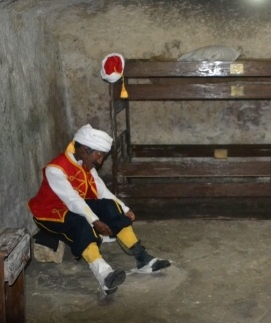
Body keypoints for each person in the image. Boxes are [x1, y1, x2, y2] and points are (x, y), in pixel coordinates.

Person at [28, 124, 171, 295]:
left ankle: (142, 258)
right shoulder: (55, 169)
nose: (100, 161)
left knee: (109, 206)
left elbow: (101, 190)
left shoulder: (85, 163)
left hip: (76, 205)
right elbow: (72, 200)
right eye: (99, 155)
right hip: (50, 212)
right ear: (84, 149)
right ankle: (104, 275)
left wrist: (124, 208)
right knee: (81, 223)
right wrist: (95, 221)